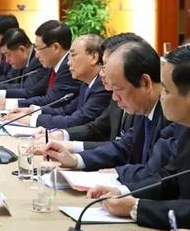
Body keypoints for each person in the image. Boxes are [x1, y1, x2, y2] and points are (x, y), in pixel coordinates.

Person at [86, 42, 190, 229]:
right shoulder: (187, 128)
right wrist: (123, 192)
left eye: (166, 90)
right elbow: (168, 178)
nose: (160, 95)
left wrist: (136, 208)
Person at [41, 40, 172, 175]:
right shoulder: (144, 107)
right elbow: (126, 146)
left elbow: (158, 174)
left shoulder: (171, 116)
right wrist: (75, 160)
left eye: (118, 89)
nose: (114, 97)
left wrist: (119, 175)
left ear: (145, 82)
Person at [35, 33, 143, 151]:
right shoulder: (95, 86)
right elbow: (97, 127)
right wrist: (61, 135)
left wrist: (70, 148)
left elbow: (126, 148)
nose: (101, 72)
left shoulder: (111, 91)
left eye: (105, 65)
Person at [4, 34, 111, 128]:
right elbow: (66, 110)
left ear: (93, 57)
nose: (68, 62)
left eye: (73, 55)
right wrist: (33, 111)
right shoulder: (87, 83)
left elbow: (76, 120)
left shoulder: (102, 86)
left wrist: (32, 120)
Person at [0, 20, 81, 112]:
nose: (36, 55)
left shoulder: (69, 67)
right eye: (35, 48)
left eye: (39, 48)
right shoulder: (53, 65)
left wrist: (10, 104)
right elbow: (33, 91)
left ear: (55, 48)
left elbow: (52, 100)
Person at [0, 28, 49, 100]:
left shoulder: (40, 61)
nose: (7, 61)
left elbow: (27, 89)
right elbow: (11, 81)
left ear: (22, 50)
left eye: (8, 55)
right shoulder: (20, 61)